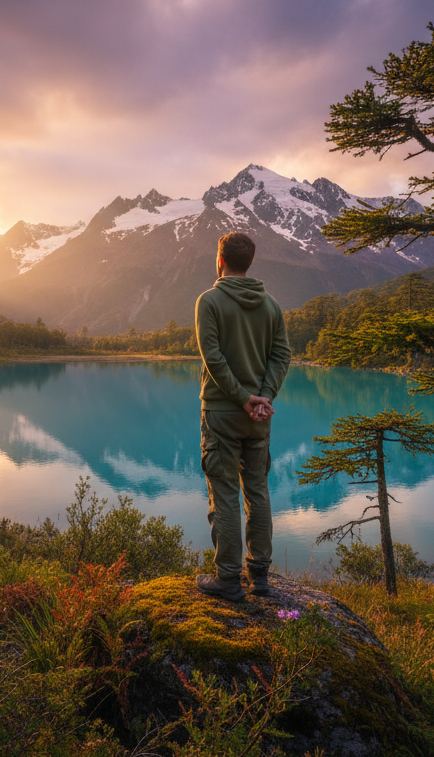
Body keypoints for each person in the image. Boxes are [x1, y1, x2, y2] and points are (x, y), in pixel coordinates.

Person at [194, 232, 291, 601]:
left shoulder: (210, 300)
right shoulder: (272, 306)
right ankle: (261, 576)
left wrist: (243, 398)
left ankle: (229, 580)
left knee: (224, 494)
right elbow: (281, 356)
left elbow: (212, 357)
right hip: (260, 417)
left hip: (222, 412)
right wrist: (263, 398)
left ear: (220, 260)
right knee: (258, 492)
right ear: (249, 263)